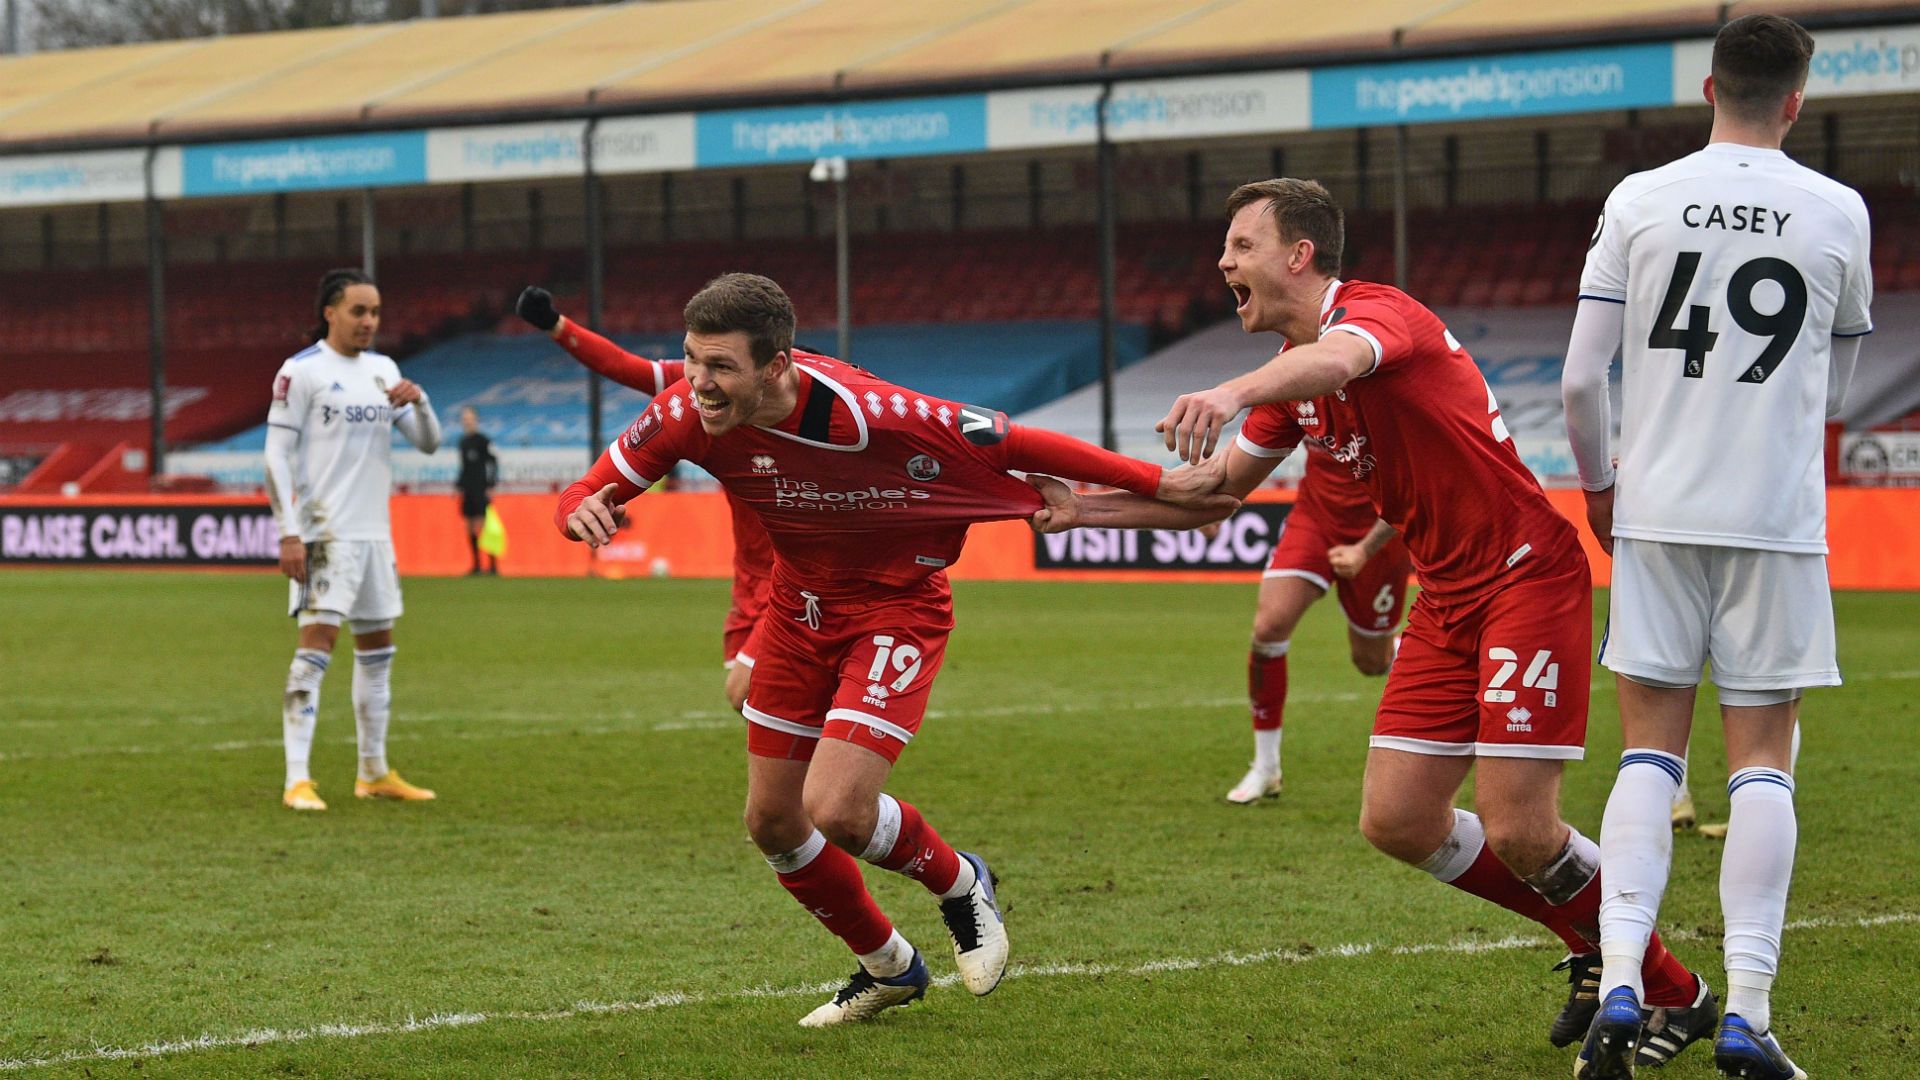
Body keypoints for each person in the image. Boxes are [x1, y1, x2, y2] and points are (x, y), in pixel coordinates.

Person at [1031, 178, 1712, 1068]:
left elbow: (1340, 360)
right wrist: (1083, 509)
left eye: (1241, 245)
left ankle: (1668, 986)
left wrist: (1230, 388)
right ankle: (1605, 947)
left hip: (1525, 578)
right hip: (1448, 596)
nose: (1224, 262)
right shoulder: (1290, 379)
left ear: (1299, 255)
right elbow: (1214, 491)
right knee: (1398, 819)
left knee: (1519, 828)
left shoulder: (1377, 316)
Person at [556, 273, 1227, 1026]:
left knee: (839, 809)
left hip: (895, 613)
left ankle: (961, 884)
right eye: (689, 361)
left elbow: (1013, 440)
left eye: (719, 368)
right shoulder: (685, 412)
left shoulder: (879, 417)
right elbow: (589, 489)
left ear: (777, 365)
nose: (698, 385)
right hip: (797, 614)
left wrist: (1158, 480)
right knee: (773, 824)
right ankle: (890, 968)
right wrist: (580, 505)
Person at [1562, 15, 1869, 1079]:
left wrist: (1601, 491)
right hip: (1774, 523)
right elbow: (1839, 385)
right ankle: (1747, 1013)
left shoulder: (1640, 198)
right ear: (1796, 99)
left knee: (1649, 753)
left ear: (1707, 87)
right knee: (1763, 768)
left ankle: (1616, 988)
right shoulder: (1839, 210)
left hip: (1655, 510)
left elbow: (1576, 378)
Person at [516, 285, 770, 712]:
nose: (704, 377)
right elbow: (626, 367)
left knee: (750, 695)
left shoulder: (804, 400)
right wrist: (556, 326)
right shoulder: (707, 383)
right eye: (696, 359)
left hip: (801, 584)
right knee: (759, 712)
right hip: (749, 584)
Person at [265, 268, 442, 812]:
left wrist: (422, 401)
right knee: (314, 652)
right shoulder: (303, 372)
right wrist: (289, 531)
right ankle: (298, 778)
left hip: (374, 537)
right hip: (325, 534)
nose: (368, 322)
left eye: (375, 313)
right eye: (358, 311)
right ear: (330, 312)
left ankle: (373, 771)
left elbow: (429, 443)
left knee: (378, 654)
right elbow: (275, 454)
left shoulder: (383, 370)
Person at [1227, 441, 1410, 803]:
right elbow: (1257, 446)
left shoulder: (1391, 395)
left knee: (1371, 662)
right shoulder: (1298, 392)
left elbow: (1411, 493)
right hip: (1314, 520)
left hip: (1379, 531)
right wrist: (1217, 500)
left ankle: (1413, 651)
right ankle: (1266, 767)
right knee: (1269, 628)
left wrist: (1364, 550)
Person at [456, 406, 499, 576]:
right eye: (464, 418)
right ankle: (477, 565)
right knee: (469, 527)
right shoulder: (463, 442)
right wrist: (459, 484)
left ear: (476, 420)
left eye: (470, 418)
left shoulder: (483, 440)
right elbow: (464, 467)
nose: (467, 421)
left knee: (484, 527)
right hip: (468, 489)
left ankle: (493, 565)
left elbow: (494, 462)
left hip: (481, 489)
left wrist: (490, 485)